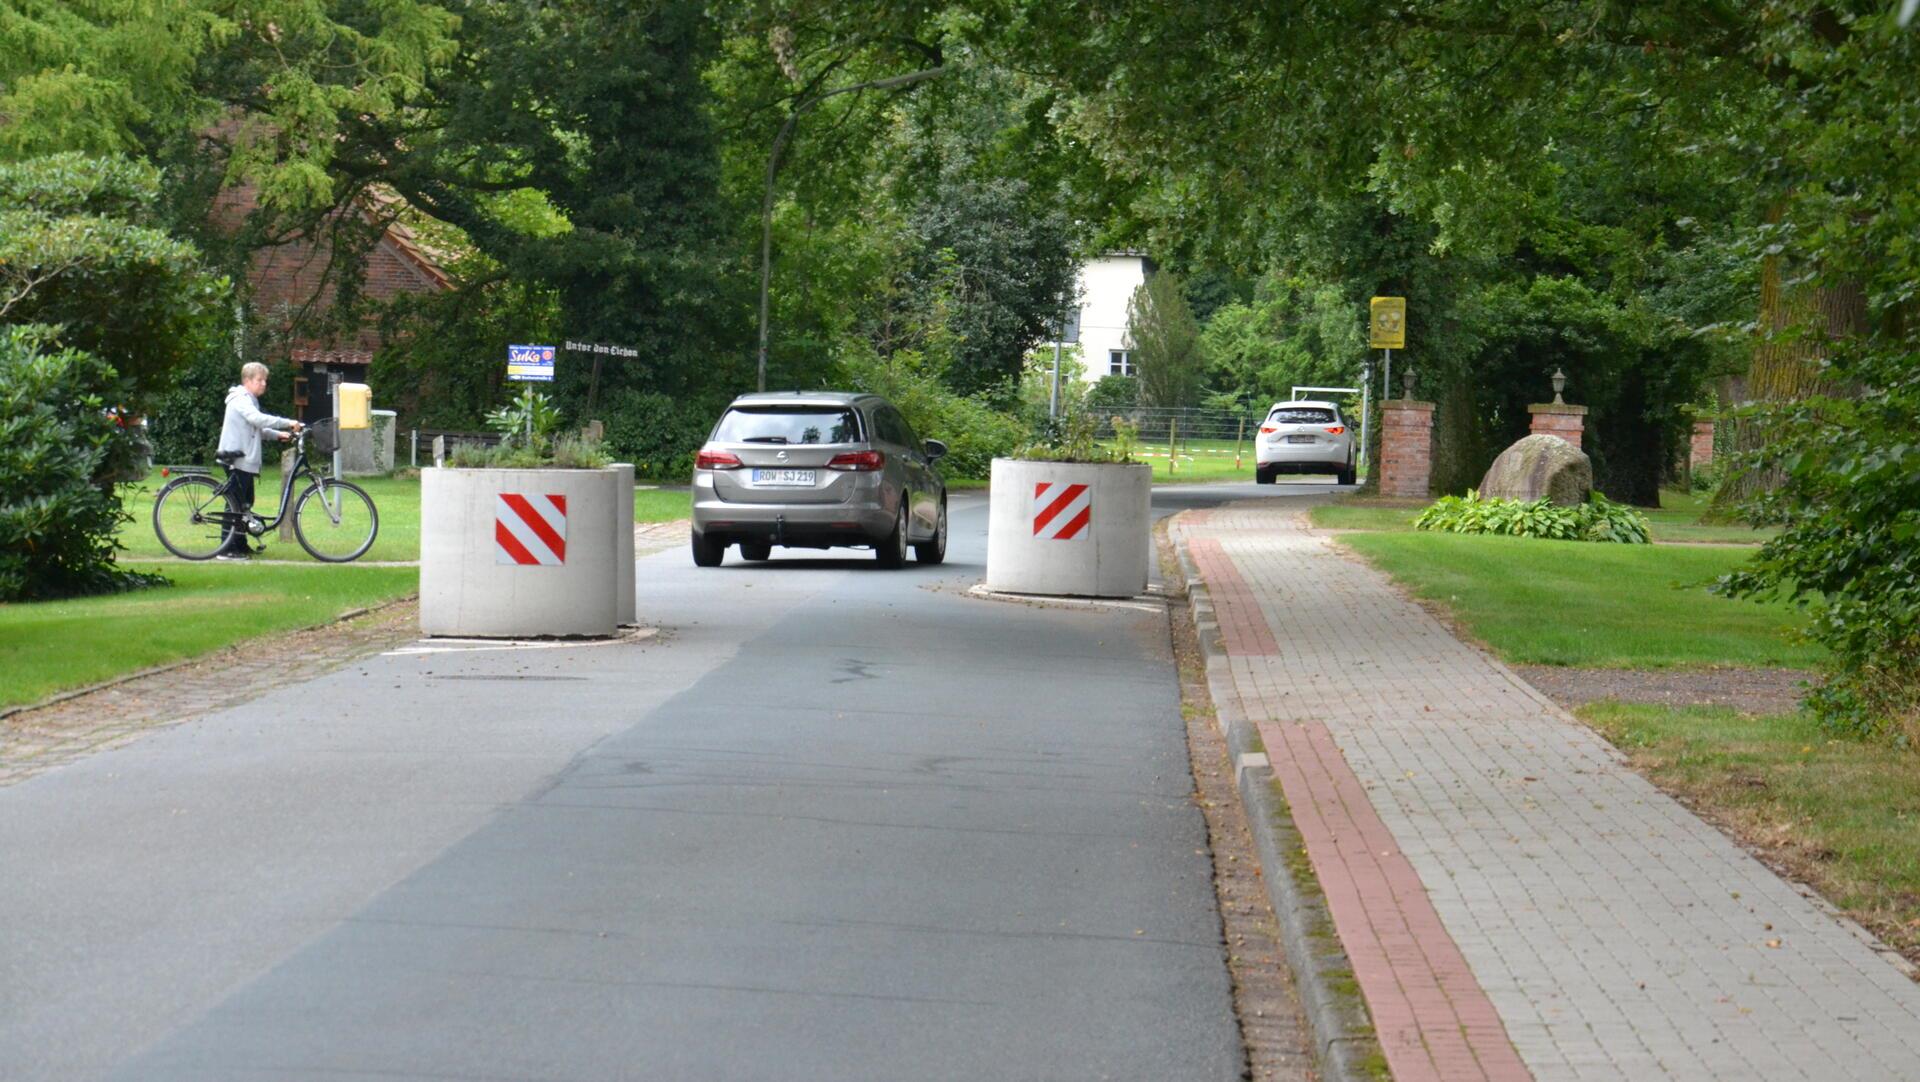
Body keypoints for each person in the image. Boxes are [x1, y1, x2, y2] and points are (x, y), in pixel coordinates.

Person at [214, 362, 302, 560]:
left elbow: (258, 429)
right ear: (247, 381)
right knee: (235, 504)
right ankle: (226, 549)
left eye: (265, 381)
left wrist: (280, 434)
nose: (263, 384)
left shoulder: (250, 400)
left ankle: (240, 544)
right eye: (259, 380)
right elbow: (257, 419)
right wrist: (288, 423)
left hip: (244, 458)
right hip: (235, 458)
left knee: (245, 503)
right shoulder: (241, 399)